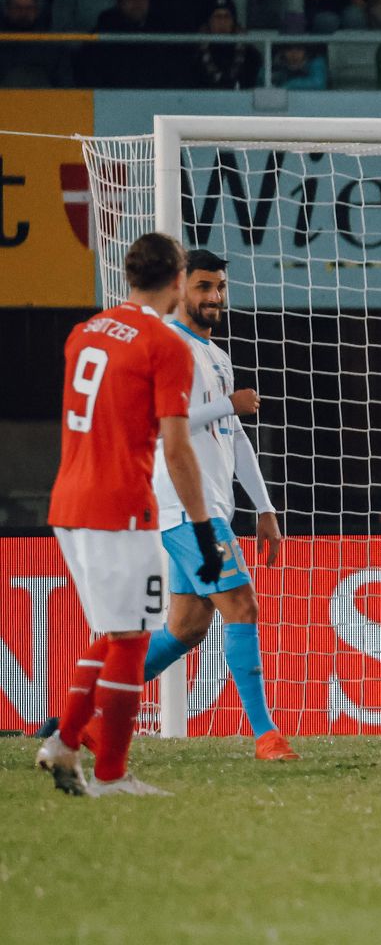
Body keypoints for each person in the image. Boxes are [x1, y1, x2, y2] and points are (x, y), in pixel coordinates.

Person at [35, 232, 223, 797]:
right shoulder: (165, 346)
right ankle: (112, 773)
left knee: (119, 633)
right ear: (174, 280)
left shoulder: (83, 332)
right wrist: (204, 527)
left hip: (69, 503)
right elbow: (176, 445)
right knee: (135, 639)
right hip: (121, 506)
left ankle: (63, 742)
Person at [129, 250, 297, 762]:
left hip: (213, 507)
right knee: (241, 605)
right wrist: (230, 403)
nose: (214, 297)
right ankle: (266, 736)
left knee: (186, 628)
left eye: (220, 287)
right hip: (183, 506)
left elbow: (234, 434)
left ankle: (80, 714)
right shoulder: (167, 347)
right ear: (180, 288)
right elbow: (164, 424)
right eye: (204, 287)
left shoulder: (215, 355)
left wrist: (264, 507)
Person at [193, 0, 263, 89]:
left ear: (233, 21)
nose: (222, 22)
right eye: (217, 17)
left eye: (227, 17)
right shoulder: (196, 54)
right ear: (209, 21)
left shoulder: (250, 55)